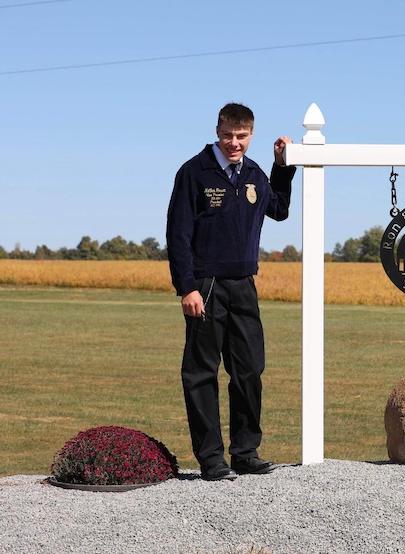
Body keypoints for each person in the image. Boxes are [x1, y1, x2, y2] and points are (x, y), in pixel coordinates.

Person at [166, 103, 295, 481]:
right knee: (202, 373)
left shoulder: (254, 173)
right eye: (228, 136)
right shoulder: (194, 172)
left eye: (241, 137)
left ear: (251, 134)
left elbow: (280, 209)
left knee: (249, 371)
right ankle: (211, 459)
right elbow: (178, 235)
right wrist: (186, 287)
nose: (234, 143)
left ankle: (245, 452)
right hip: (205, 286)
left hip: (244, 286)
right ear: (217, 131)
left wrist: (282, 165)